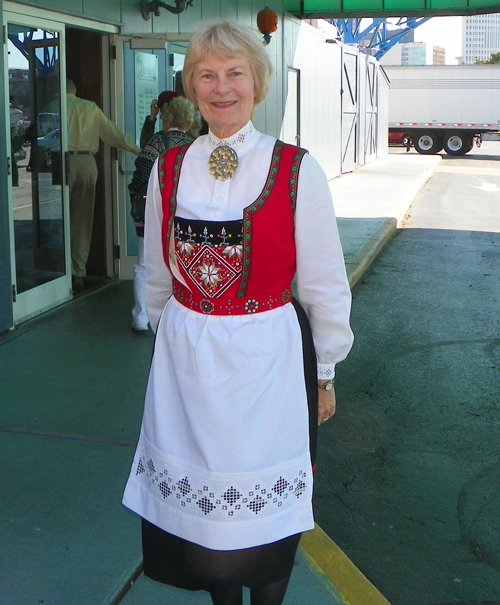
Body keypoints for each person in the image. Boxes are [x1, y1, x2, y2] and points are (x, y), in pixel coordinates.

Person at [122, 20, 354, 605]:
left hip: (266, 362)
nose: (221, 87)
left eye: (235, 73)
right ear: (190, 85)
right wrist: (160, 330)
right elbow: (156, 264)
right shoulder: (169, 167)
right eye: (206, 74)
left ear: (258, 82)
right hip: (188, 359)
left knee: (264, 519)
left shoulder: (297, 168)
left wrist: (324, 370)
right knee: (204, 524)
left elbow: (324, 283)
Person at [66, 78, 141, 289]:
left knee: (58, 222)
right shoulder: (90, 107)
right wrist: (139, 151)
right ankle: (77, 271)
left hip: (59, 163)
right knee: (82, 219)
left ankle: (58, 272)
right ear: (75, 90)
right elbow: (113, 134)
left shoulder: (53, 106)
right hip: (87, 162)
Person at [128, 95, 195, 331]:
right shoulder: (195, 145)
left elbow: (141, 173)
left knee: (145, 263)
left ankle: (142, 317)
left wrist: (133, 190)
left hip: (152, 209)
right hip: (184, 212)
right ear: (189, 119)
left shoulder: (157, 141)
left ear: (166, 118)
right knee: (180, 263)